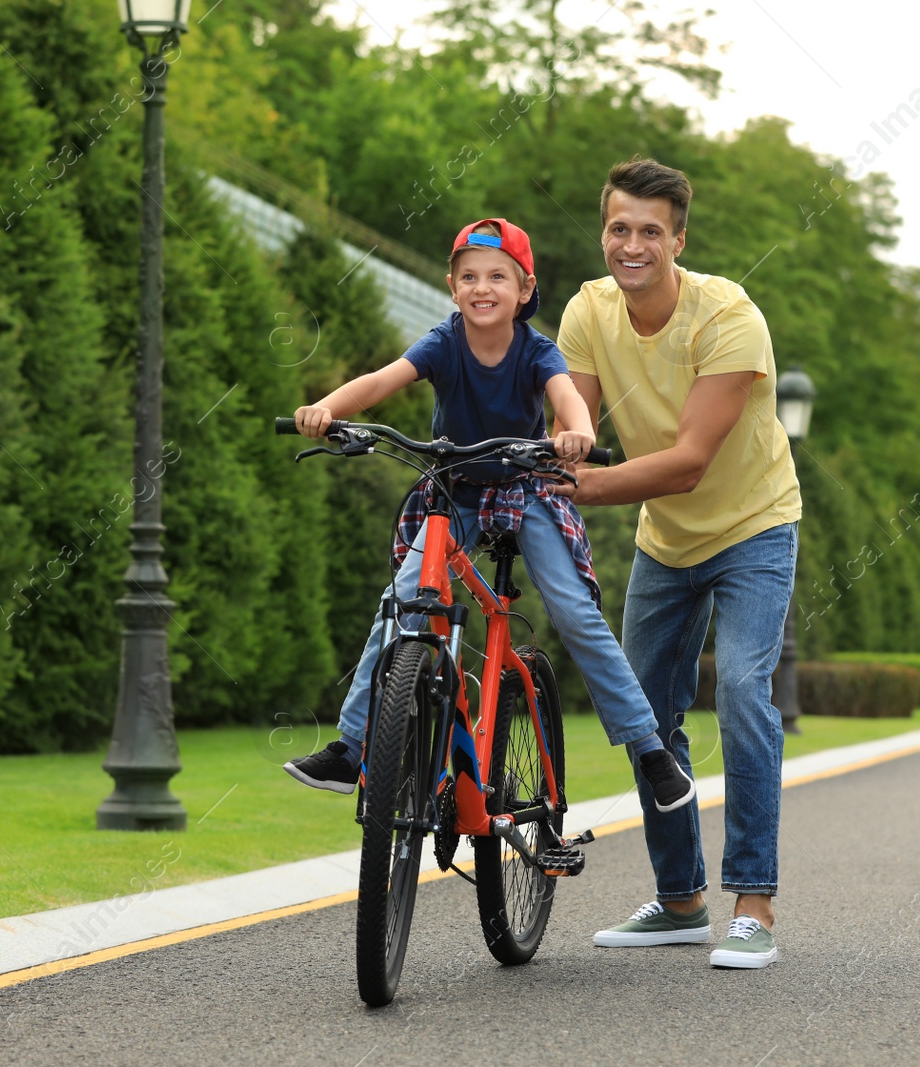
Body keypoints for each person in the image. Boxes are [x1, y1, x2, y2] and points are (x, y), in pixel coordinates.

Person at [282, 217, 694, 814]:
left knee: (574, 612)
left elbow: (569, 399)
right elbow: (382, 380)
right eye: (469, 276)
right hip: (454, 492)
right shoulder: (443, 342)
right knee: (402, 604)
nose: (482, 288)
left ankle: (651, 751)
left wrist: (577, 434)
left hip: (525, 490)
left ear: (524, 290)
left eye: (498, 276)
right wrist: (325, 408)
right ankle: (352, 747)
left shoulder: (537, 350)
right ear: (453, 288)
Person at [554, 158, 801, 970]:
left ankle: (754, 903)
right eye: (619, 228)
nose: (632, 245)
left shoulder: (729, 317)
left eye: (650, 231)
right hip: (668, 539)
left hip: (754, 526)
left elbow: (691, 461)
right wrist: (559, 454)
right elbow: (574, 420)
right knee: (643, 710)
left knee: (737, 686)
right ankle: (681, 899)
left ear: (678, 240)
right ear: (605, 233)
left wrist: (579, 487)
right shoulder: (589, 311)